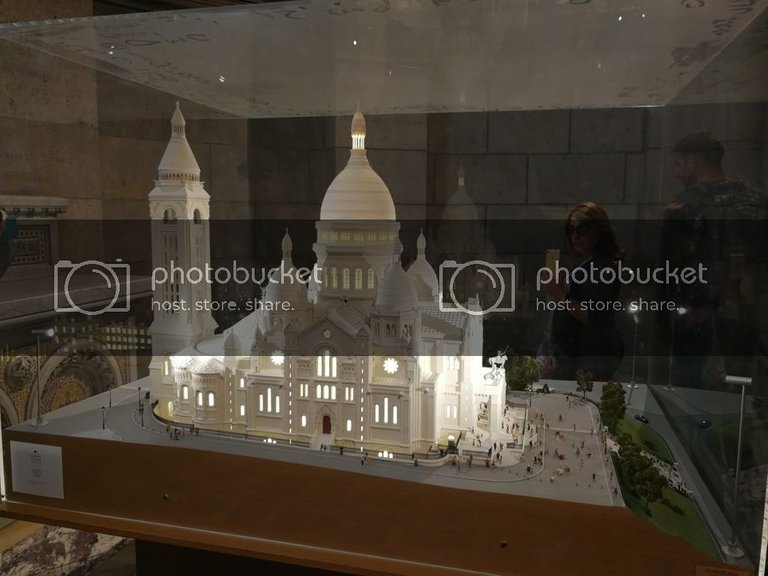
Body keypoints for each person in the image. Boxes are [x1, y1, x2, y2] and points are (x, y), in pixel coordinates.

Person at [662, 131, 768, 389]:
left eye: (678, 164)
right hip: (744, 317)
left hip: (697, 319)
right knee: (739, 392)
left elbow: (673, 265)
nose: (676, 173)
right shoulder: (756, 202)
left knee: (689, 395)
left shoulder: (685, 206)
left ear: (693, 162)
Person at [545, 202, 624, 380]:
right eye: (571, 230)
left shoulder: (601, 268)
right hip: (583, 355)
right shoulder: (591, 265)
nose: (575, 236)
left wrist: (559, 293)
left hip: (591, 357)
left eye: (582, 229)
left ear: (598, 232)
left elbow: (593, 316)